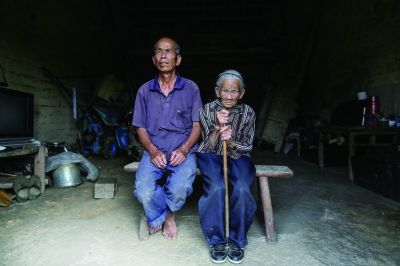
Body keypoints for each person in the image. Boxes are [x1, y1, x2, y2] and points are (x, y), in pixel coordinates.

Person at [132, 37, 202, 239]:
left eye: (169, 51)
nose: (164, 56)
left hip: (182, 150)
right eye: (159, 52)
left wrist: (184, 149)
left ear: (177, 59)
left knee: (181, 186)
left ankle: (167, 215)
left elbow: (197, 125)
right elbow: (140, 127)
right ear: (154, 59)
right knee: (143, 187)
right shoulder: (144, 91)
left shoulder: (191, 88)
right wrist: (153, 151)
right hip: (154, 150)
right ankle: (159, 215)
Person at [197, 69, 256, 263]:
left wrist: (230, 142)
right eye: (225, 91)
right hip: (211, 155)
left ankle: (237, 240)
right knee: (216, 188)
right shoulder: (206, 110)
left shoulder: (248, 112)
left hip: (238, 155)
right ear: (217, 91)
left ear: (241, 94)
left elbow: (247, 146)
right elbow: (205, 146)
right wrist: (216, 128)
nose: (229, 96)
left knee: (242, 188)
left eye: (234, 92)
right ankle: (217, 240)